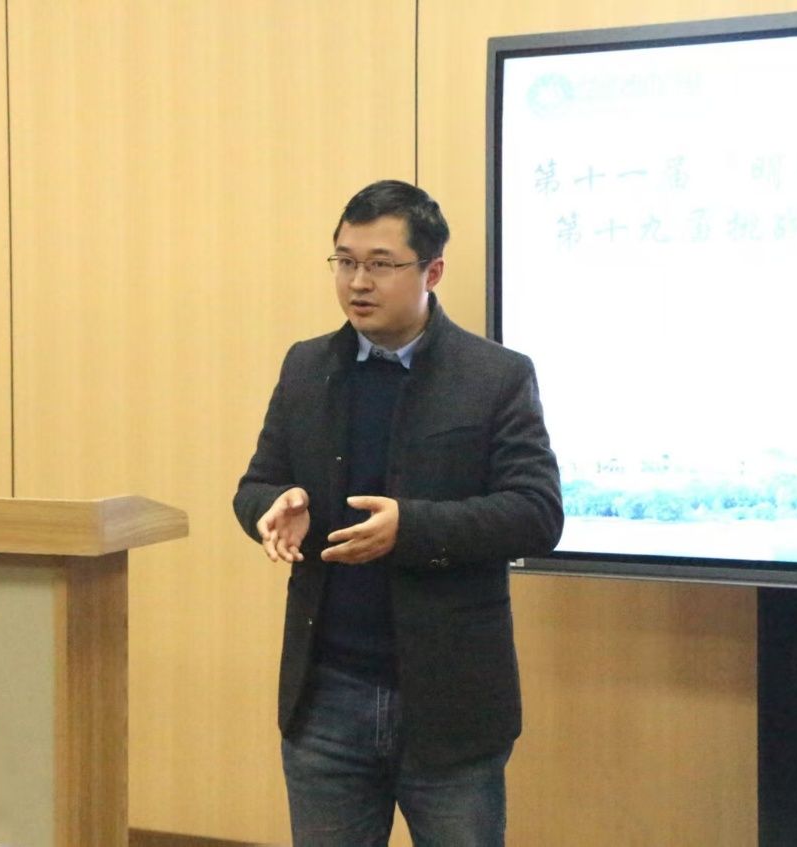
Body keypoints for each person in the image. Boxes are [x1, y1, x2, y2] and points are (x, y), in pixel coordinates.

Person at [233, 179, 563, 846]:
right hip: (326, 695)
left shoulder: (495, 375)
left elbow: (536, 513)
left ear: (431, 271)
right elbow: (256, 485)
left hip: (449, 700)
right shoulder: (307, 367)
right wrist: (276, 505)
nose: (358, 282)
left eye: (381, 264)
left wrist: (410, 528)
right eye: (345, 261)